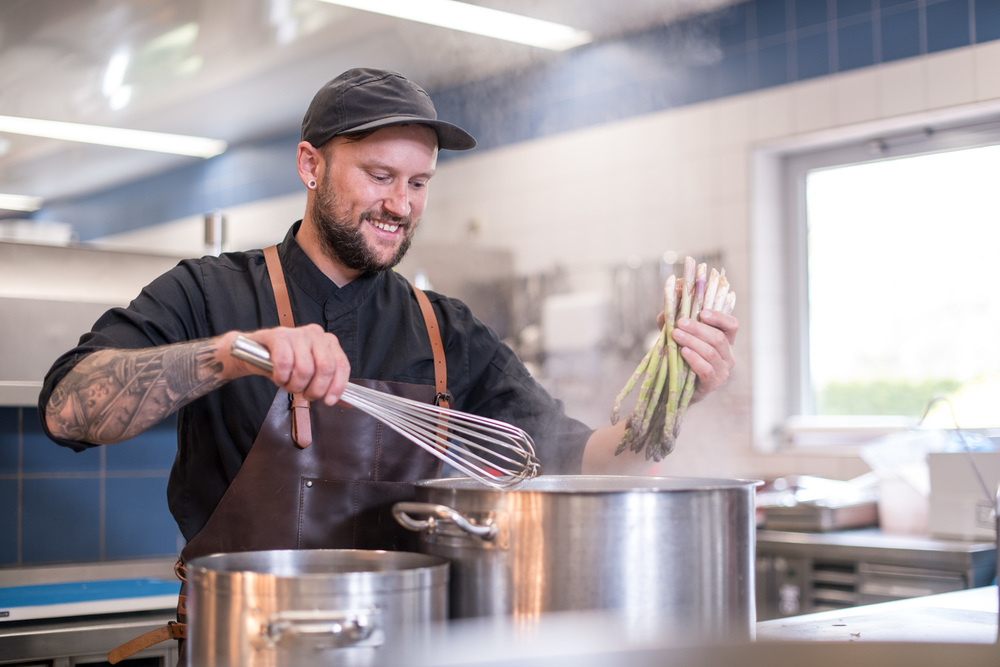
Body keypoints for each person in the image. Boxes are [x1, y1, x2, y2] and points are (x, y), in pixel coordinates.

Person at [39, 67, 738, 660]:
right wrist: (234, 354)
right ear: (310, 166)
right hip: (249, 645)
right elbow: (69, 406)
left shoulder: (445, 331)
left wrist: (674, 399)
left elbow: (582, 460)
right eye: (379, 176)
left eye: (419, 183)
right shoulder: (211, 292)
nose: (400, 205)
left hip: (407, 648)